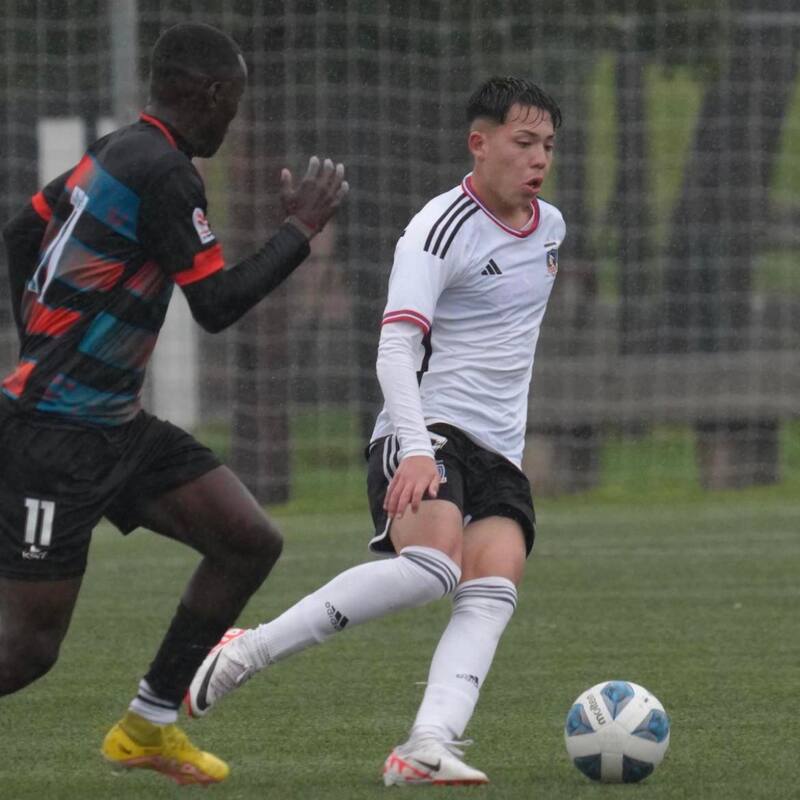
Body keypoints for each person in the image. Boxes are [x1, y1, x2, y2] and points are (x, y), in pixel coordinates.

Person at [186, 76, 564, 786]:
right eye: (523, 142)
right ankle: (243, 651)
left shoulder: (551, 230)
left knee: (494, 585)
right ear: (478, 145)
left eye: (547, 144)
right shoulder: (436, 228)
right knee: (434, 569)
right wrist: (416, 449)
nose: (539, 157)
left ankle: (426, 745)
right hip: (425, 429)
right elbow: (395, 348)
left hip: (498, 454)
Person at [0, 21, 347, 786]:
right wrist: (300, 230)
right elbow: (217, 304)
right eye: (236, 103)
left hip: (114, 427)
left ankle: (149, 724)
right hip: (55, 437)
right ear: (213, 94)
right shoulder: (163, 172)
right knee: (26, 651)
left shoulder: (121, 150)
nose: (237, 120)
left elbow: (23, 229)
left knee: (247, 539)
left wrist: (44, 340)